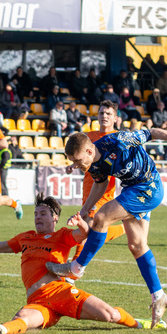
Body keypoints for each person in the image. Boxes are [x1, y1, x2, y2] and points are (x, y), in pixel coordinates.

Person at [46, 125, 167, 327]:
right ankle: (159, 296)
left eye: (77, 160)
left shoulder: (119, 141)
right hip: (132, 189)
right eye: (72, 162)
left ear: (89, 150)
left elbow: (152, 132)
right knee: (137, 246)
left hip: (148, 187)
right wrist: (84, 209)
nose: (76, 165)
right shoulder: (92, 163)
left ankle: (76, 268)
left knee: (102, 218)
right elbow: (101, 184)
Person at [0, 193, 165, 334]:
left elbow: (88, 237)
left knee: (110, 315)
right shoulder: (25, 237)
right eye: (35, 214)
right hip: (37, 299)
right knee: (23, 318)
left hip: (60, 291)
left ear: (55, 218)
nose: (38, 218)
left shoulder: (61, 235)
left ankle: (140, 323)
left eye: (43, 214)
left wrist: (81, 225)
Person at [71, 101, 127, 243]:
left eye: (108, 113)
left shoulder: (118, 138)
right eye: (101, 113)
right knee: (92, 229)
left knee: (88, 228)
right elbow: (82, 157)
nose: (104, 116)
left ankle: (75, 264)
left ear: (115, 118)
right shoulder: (89, 136)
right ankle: (124, 228)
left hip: (103, 190)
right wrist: (74, 164)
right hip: (88, 188)